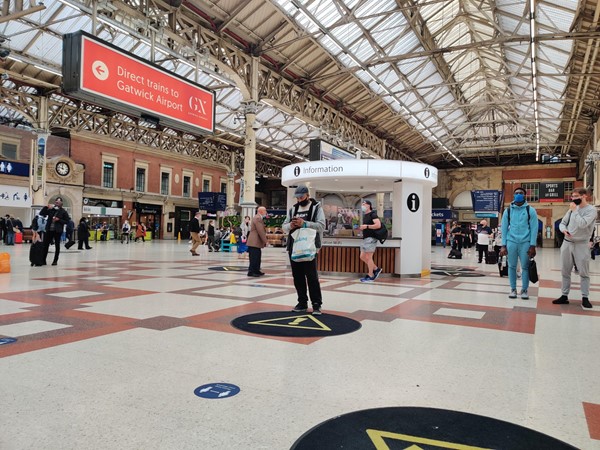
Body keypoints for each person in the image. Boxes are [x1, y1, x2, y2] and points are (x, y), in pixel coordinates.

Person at [282, 185, 326, 315]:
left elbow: (321, 226)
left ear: (307, 195)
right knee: (297, 277)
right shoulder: (292, 210)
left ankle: (316, 304)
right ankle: (302, 302)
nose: (299, 200)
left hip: (310, 247)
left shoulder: (316, 208)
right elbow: (284, 226)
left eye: (301, 197)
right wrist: (291, 225)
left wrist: (305, 224)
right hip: (294, 248)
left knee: (312, 277)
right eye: (297, 198)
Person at [553, 188, 595, 309]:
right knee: (565, 271)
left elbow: (583, 224)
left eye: (576, 196)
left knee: (584, 272)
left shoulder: (591, 210)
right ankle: (564, 295)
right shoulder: (571, 210)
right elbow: (562, 222)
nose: (573, 198)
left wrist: (575, 210)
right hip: (567, 243)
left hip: (582, 243)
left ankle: (585, 297)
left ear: (584, 196)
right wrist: (563, 229)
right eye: (572, 196)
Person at [499, 187, 538, 300]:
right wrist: (503, 245)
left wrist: (532, 245)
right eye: (516, 193)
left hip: (525, 242)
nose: (518, 195)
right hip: (511, 242)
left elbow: (534, 228)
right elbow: (504, 228)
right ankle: (513, 289)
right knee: (511, 266)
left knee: (525, 267)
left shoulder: (530, 210)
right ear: (513, 195)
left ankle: (524, 290)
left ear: (525, 195)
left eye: (521, 193)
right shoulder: (508, 210)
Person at [40, 197, 71, 266]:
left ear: (61, 203)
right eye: (56, 202)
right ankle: (43, 260)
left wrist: (58, 220)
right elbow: (42, 213)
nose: (56, 203)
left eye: (58, 202)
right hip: (49, 230)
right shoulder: (52, 210)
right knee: (45, 245)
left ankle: (55, 260)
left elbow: (67, 221)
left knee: (57, 245)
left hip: (57, 231)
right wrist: (46, 207)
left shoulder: (63, 212)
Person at [358, 200, 383, 282]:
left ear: (369, 205)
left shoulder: (373, 214)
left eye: (364, 204)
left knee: (369, 257)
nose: (362, 206)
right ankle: (376, 268)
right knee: (362, 256)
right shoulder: (366, 215)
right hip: (365, 238)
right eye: (362, 204)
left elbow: (378, 225)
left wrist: (366, 226)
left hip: (371, 238)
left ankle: (370, 275)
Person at [246, 206, 268, 277]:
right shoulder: (257, 218)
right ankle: (252, 271)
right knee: (254, 257)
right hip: (254, 241)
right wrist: (265, 241)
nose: (266, 212)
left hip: (256, 242)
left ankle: (256, 270)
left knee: (257, 256)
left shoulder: (259, 218)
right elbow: (260, 230)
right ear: (261, 211)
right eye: (265, 211)